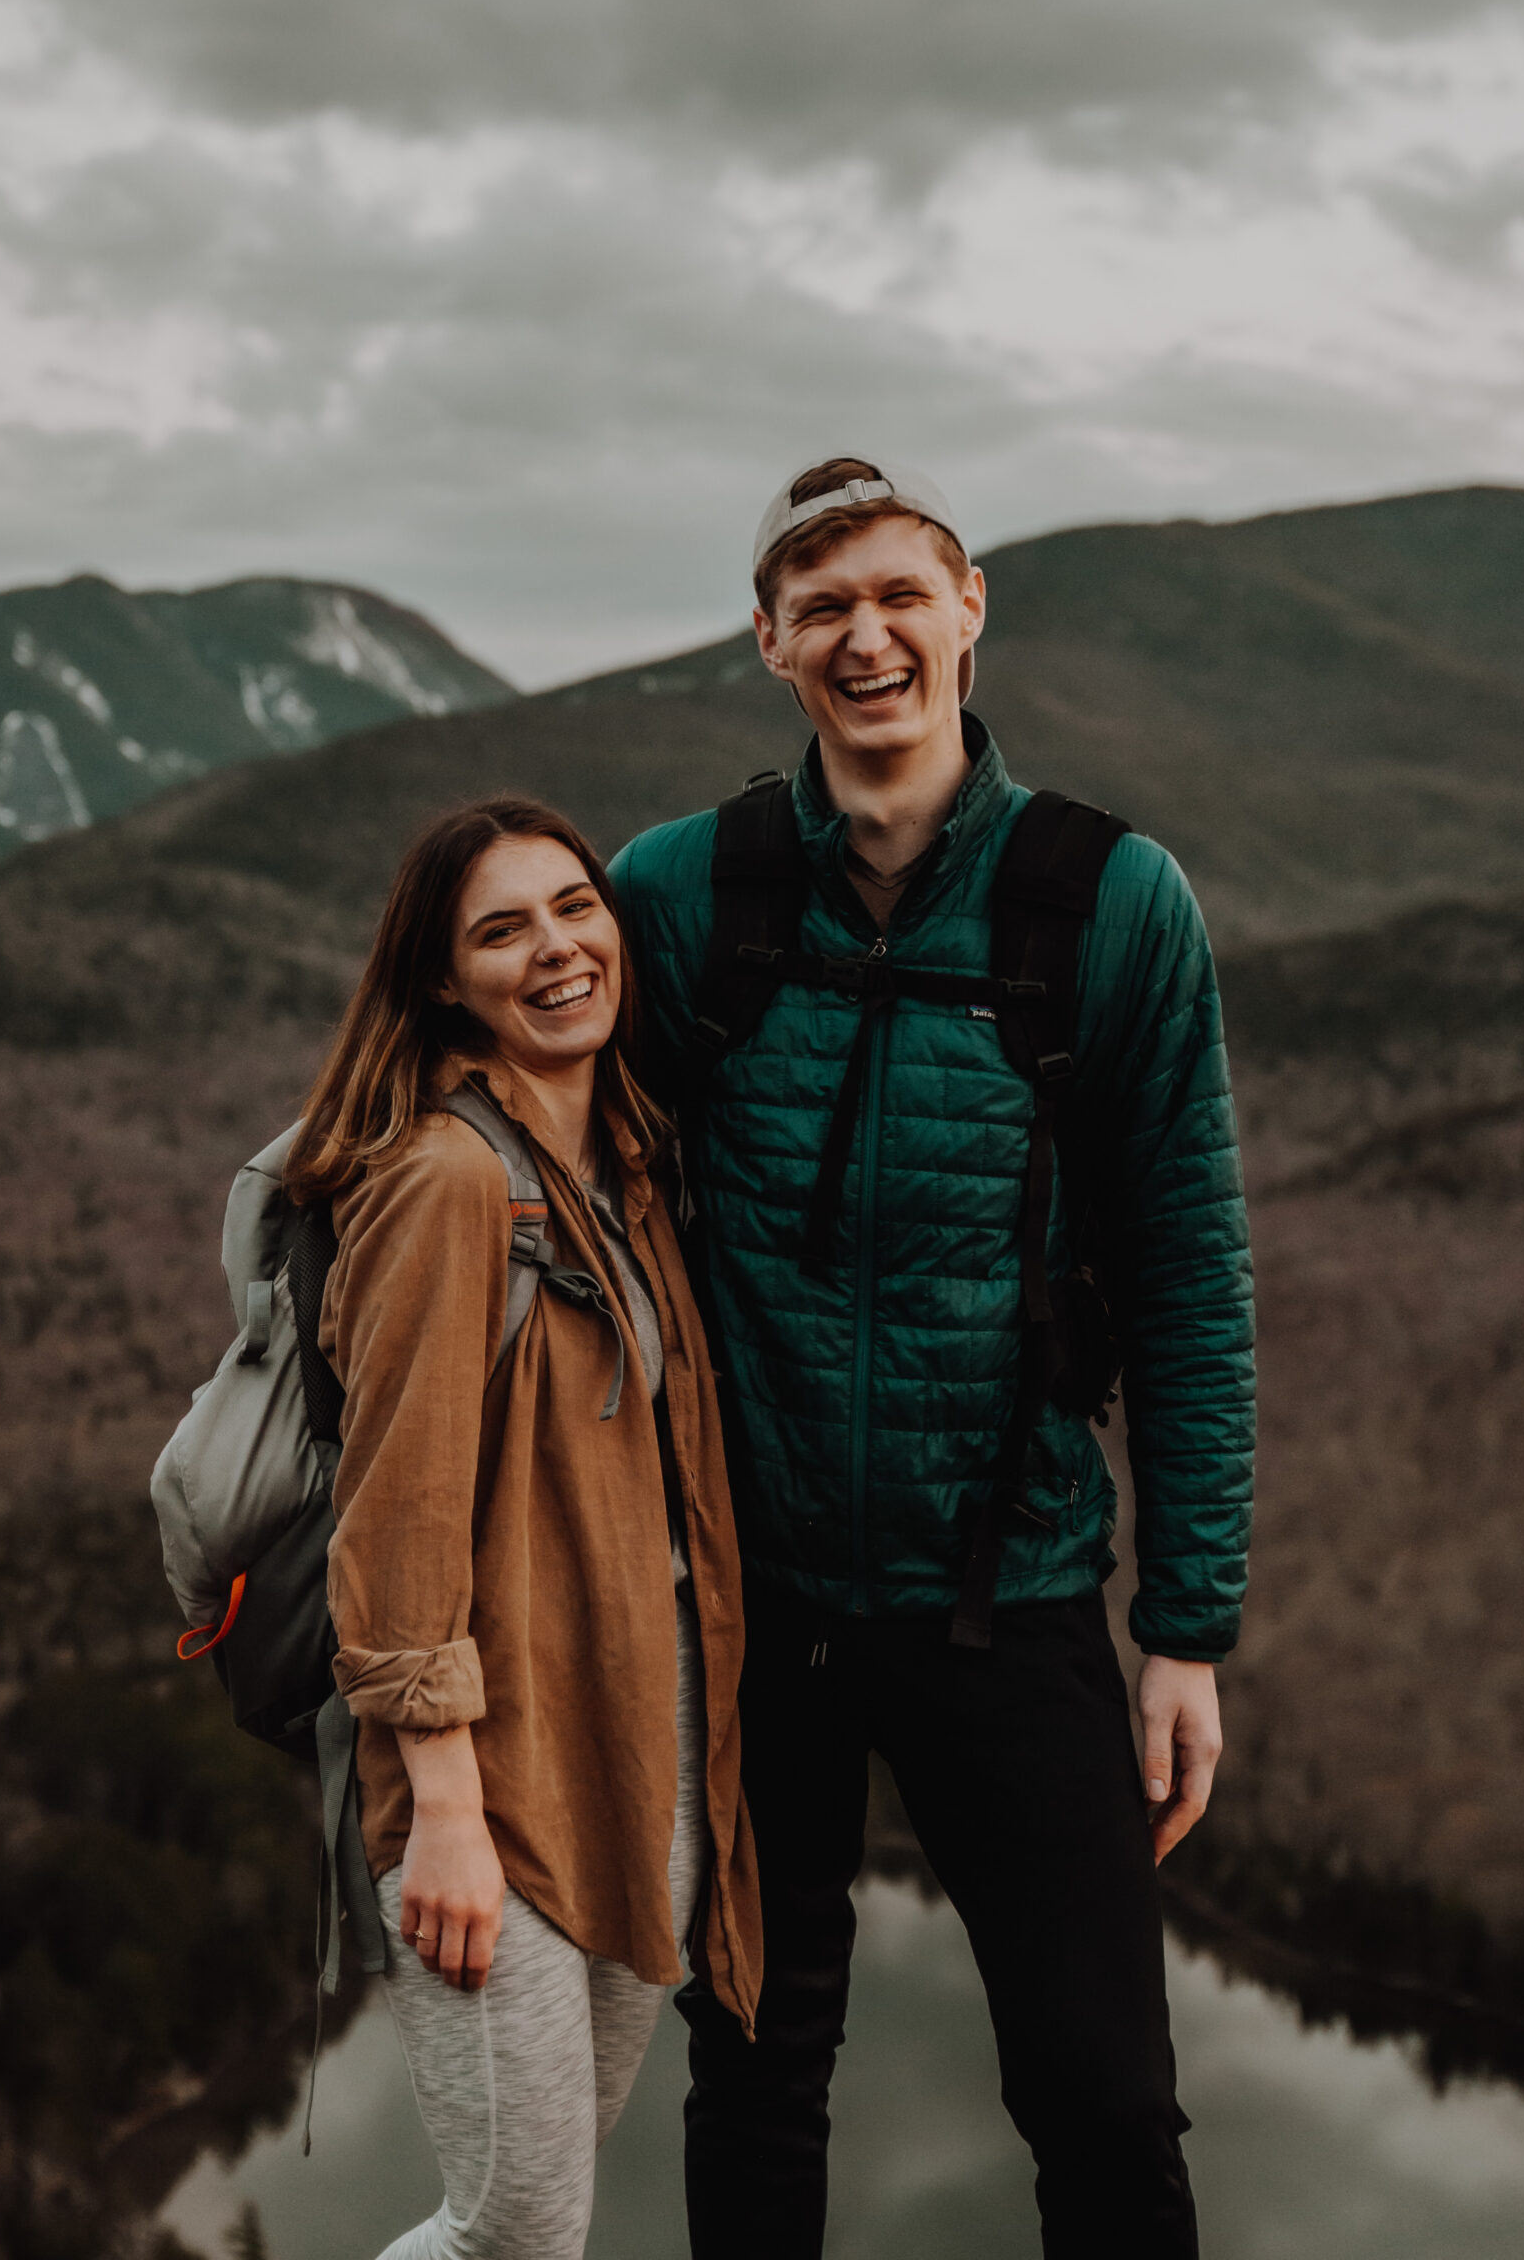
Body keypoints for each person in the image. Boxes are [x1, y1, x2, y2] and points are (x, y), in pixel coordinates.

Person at [610, 457, 1255, 2258]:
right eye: (821, 608)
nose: (866, 636)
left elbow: (1192, 1268)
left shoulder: (1107, 901)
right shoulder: (686, 893)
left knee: (1106, 2101)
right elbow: (535, 1165)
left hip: (1017, 1585)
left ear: (971, 613)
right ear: (768, 642)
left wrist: (1189, 1624)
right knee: (752, 2077)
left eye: (899, 595)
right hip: (750, 1598)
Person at [281, 796, 759, 2260]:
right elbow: (398, 1516)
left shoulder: (626, 1162)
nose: (556, 949)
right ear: (441, 980)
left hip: (639, 1727)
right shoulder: (445, 1180)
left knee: (543, 2195)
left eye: (575, 906)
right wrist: (442, 1811)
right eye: (503, 929)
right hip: (481, 1764)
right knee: (521, 2226)